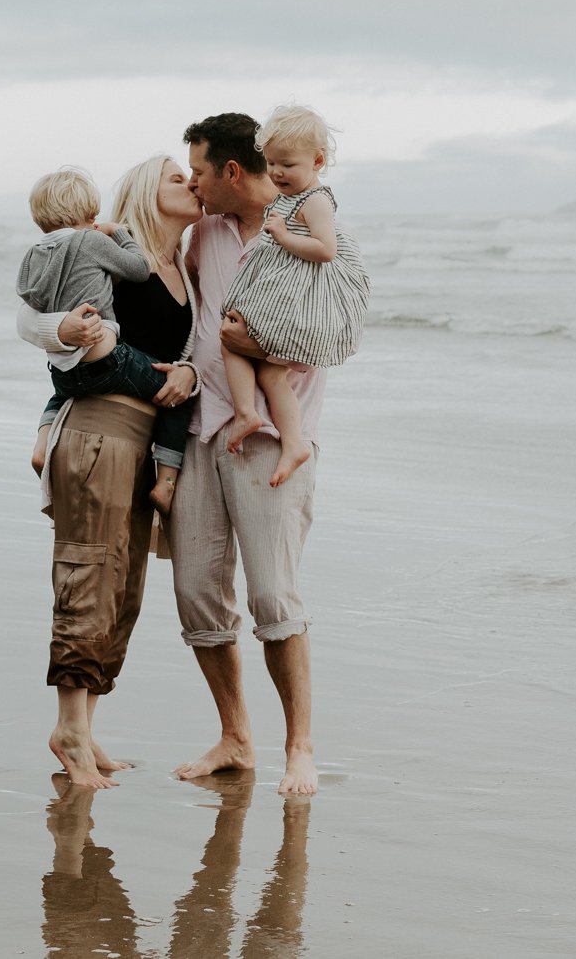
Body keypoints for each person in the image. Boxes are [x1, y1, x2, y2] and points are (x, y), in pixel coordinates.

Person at [16, 156, 203, 789]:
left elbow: (189, 357)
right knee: (89, 574)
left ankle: (83, 730)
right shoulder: (110, 251)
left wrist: (189, 373)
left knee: (123, 588)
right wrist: (48, 414)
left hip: (143, 440)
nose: (192, 184)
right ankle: (69, 728)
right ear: (149, 192)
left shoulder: (187, 268)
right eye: (178, 176)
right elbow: (46, 326)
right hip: (99, 431)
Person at [170, 112, 332, 796]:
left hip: (270, 438)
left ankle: (300, 747)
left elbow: (332, 327)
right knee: (197, 594)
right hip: (204, 428)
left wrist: (253, 350)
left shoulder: (300, 224)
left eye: (201, 171)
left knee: (272, 594)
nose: (195, 183)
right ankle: (237, 735)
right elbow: (191, 316)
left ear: (232, 171)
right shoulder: (203, 235)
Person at [18, 166, 191, 513]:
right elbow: (138, 269)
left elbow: (27, 296)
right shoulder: (95, 241)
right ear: (90, 212)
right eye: (177, 177)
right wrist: (122, 234)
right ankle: (167, 481)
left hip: (64, 368)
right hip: (109, 367)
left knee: (63, 388)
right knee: (178, 392)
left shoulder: (35, 254)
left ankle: (41, 448)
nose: (189, 182)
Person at [217, 104, 369, 488]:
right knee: (266, 369)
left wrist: (284, 236)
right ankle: (285, 437)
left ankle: (258, 420)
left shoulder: (316, 200)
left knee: (238, 346)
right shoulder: (288, 196)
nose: (277, 173)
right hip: (280, 291)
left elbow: (326, 249)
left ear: (317, 161)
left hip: (296, 301)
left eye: (287, 164)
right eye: (270, 163)